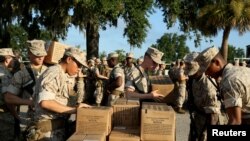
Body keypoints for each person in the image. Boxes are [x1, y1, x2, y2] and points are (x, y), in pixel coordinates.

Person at [27, 47, 91, 140]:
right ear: (69, 59)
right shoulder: (54, 72)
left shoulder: (64, 75)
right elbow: (46, 102)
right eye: (79, 65)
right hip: (47, 132)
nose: (79, 69)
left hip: (57, 129)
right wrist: (74, 110)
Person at [195, 46, 250, 125]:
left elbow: (235, 122)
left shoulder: (229, 82)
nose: (206, 74)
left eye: (207, 69)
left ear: (217, 63)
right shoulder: (244, 70)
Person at [5, 39, 48, 130]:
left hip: (49, 118)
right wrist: (30, 102)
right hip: (29, 119)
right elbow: (8, 98)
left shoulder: (50, 72)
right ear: (29, 54)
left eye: (42, 54)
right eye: (37, 54)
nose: (40, 57)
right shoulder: (21, 74)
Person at [184, 52, 228, 141]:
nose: (190, 75)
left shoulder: (208, 85)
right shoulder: (193, 78)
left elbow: (213, 116)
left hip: (211, 120)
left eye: (193, 72)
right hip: (199, 117)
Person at [0, 48, 17, 141]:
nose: (14, 61)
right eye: (12, 58)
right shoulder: (5, 74)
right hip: (4, 116)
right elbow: (7, 99)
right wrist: (15, 115)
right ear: (7, 59)